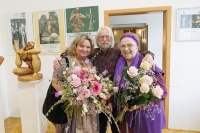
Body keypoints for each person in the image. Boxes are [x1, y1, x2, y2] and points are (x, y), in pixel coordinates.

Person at [54, 26, 155, 133]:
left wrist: (150, 55)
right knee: (100, 128)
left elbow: (137, 52)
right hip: (98, 100)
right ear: (97, 39)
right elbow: (74, 52)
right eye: (101, 37)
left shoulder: (117, 52)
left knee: (117, 129)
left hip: (117, 99)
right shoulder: (92, 53)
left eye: (107, 37)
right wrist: (60, 58)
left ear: (111, 39)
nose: (104, 39)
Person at [113, 33, 168, 133]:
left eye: (129, 45)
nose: (126, 49)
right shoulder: (119, 63)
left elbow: (163, 92)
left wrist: (140, 105)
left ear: (137, 47)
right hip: (124, 113)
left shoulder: (146, 63)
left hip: (146, 116)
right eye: (123, 46)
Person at [48, 33, 99, 133]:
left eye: (88, 47)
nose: (85, 49)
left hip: (83, 107)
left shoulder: (89, 63)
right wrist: (70, 97)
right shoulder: (64, 61)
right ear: (75, 46)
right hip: (67, 107)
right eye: (81, 46)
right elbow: (55, 82)